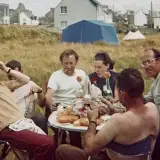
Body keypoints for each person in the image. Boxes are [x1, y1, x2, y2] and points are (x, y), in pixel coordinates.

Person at [56, 68, 159, 160]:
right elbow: (134, 117)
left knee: (62, 150)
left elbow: (89, 149)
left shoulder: (117, 121)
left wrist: (92, 120)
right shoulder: (152, 109)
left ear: (122, 94)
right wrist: (113, 110)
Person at [0, 61, 56, 160]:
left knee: (55, 143)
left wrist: (6, 69)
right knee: (49, 144)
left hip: (22, 123)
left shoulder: (3, 85)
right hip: (9, 127)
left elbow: (26, 80)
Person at [45, 49, 88, 148]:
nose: (68, 66)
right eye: (65, 63)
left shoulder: (81, 74)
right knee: (66, 131)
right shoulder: (56, 76)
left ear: (76, 62)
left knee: (76, 129)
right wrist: (53, 110)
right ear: (61, 63)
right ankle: (62, 151)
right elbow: (48, 95)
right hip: (60, 109)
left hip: (77, 109)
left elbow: (87, 93)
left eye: (71, 63)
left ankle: (76, 153)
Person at [6, 60, 48, 134]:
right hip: (12, 122)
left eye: (15, 76)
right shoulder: (5, 88)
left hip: (29, 119)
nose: (12, 80)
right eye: (10, 77)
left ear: (21, 73)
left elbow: (41, 104)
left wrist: (40, 92)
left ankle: (45, 142)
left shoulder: (29, 85)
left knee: (40, 118)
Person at [141, 48, 160, 160]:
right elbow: (147, 99)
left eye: (149, 61)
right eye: (144, 63)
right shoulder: (155, 81)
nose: (146, 66)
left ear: (158, 60)